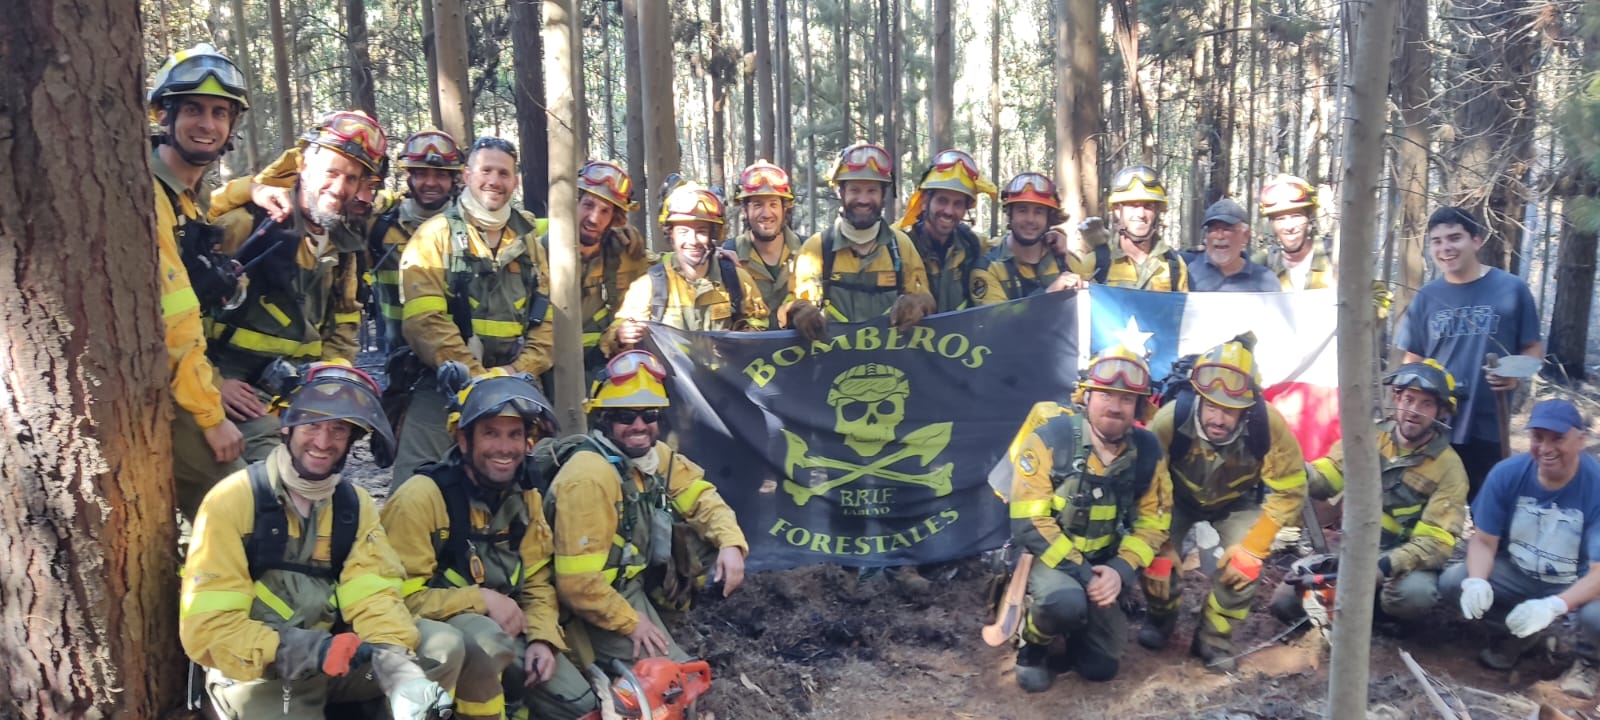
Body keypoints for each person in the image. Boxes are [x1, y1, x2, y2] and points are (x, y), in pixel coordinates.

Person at [179, 362, 460, 719]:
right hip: (258, 670)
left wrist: (398, 669)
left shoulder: (353, 505)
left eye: (338, 430)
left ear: (352, 439)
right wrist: (313, 649)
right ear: (287, 425)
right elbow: (208, 629)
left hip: (334, 659)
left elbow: (374, 597)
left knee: (443, 649)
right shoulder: (232, 501)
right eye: (312, 424)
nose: (323, 442)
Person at [382, 368, 598, 720]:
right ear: (463, 440)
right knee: (484, 639)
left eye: (515, 434)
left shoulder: (524, 495)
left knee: (576, 706)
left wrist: (543, 637)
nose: (505, 448)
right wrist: (479, 599)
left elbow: (539, 578)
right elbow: (393, 601)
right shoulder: (421, 499)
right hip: (432, 639)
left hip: (505, 630)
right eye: (490, 434)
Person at [548, 350, 748, 667]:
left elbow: (702, 499)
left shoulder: (656, 458)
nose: (639, 425)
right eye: (625, 416)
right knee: (673, 678)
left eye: (649, 414)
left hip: (631, 582)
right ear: (604, 419)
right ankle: (595, 658)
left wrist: (731, 543)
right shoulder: (589, 476)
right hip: (589, 603)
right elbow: (577, 586)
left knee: (705, 537)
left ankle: (663, 619)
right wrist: (631, 623)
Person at [207, 111, 385, 463]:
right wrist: (214, 384)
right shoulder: (248, 226)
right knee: (276, 478)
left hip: (297, 395)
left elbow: (345, 323)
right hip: (235, 394)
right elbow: (180, 315)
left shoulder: (344, 245)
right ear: (304, 165)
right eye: (331, 172)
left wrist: (329, 383)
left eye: (351, 178)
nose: (339, 187)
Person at [392, 137, 556, 487]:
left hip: (517, 383)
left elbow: (547, 325)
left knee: (535, 482)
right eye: (485, 170)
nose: (494, 181)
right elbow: (424, 323)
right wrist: (478, 379)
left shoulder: (529, 244)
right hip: (444, 384)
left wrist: (515, 373)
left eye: (503, 173)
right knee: (415, 484)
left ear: (515, 181)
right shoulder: (433, 237)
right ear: (466, 176)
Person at [1005, 347, 1172, 691]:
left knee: (1100, 668)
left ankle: (1078, 628)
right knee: (1064, 602)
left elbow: (1154, 523)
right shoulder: (1050, 439)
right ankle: (1033, 646)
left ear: (1139, 407)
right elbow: (1029, 524)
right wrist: (1085, 575)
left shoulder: (1148, 452)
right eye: (1106, 395)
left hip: (1104, 564)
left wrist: (1120, 570)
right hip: (1048, 559)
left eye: (1126, 399)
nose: (1114, 406)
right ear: (1087, 395)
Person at [1138, 334, 1307, 671]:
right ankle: (1161, 618)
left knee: (1244, 568)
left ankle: (1214, 637)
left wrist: (1253, 547)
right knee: (1156, 561)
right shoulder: (1170, 420)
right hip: (1177, 499)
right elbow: (1147, 487)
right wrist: (1164, 541)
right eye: (1212, 406)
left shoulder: (1268, 425)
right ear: (1198, 397)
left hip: (1237, 501)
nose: (1218, 418)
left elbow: (1290, 489)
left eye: (1230, 410)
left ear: (1246, 409)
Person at [1269, 360, 1468, 625]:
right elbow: (1328, 476)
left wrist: (1385, 566)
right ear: (1396, 397)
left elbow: (1436, 542)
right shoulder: (1367, 436)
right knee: (1284, 603)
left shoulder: (1450, 468)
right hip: (1351, 548)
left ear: (1441, 412)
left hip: (1402, 562)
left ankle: (1379, 616)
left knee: (1413, 596)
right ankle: (1346, 605)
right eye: (1408, 399)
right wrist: (1299, 471)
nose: (1413, 411)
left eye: (1426, 404)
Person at [146, 43, 250, 519]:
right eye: (192, 109)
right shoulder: (149, 195)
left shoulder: (187, 196)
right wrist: (211, 416)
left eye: (219, 113)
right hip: (167, 387)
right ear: (165, 115)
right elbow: (176, 319)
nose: (206, 124)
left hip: (183, 379)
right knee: (239, 510)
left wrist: (256, 187)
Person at [1439, 399, 1600, 698]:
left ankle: (1589, 663)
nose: (1546, 448)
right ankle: (1517, 633)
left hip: (1574, 580)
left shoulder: (1596, 486)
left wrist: (1555, 605)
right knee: (1454, 581)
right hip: (1517, 570)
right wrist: (1476, 580)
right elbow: (1484, 541)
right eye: (1538, 437)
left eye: (1558, 438)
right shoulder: (1507, 474)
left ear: (1580, 440)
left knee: (1597, 617)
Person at [1396, 206, 1542, 499]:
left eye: (1454, 238)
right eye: (1437, 241)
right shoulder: (1427, 297)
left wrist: (1513, 377)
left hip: (1488, 424)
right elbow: (1413, 358)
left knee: (1489, 506)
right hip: (1435, 423)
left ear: (1476, 241)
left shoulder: (1511, 289)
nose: (1445, 248)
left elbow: (1533, 350)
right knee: (1422, 506)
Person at [783, 142, 934, 342]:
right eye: (855, 190)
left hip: (891, 367)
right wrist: (797, 310)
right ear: (841, 193)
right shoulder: (816, 248)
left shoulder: (901, 246)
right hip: (833, 367)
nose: (863, 199)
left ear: (883, 195)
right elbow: (790, 304)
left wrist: (918, 303)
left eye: (872, 190)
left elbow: (928, 301)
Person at [603, 181, 768, 354]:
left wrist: (746, 337)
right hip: (669, 379)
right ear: (671, 235)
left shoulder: (736, 279)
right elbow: (614, 336)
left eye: (702, 231)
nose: (693, 240)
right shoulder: (649, 286)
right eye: (683, 231)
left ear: (714, 234)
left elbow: (760, 322)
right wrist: (621, 335)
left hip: (723, 377)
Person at [369, 130, 465, 354]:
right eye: (421, 174)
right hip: (398, 357)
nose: (430, 183)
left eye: (440, 175)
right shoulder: (379, 225)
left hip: (457, 351)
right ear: (409, 177)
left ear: (453, 179)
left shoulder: (470, 226)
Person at [557, 160, 654, 373]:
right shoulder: (543, 249)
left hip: (603, 366)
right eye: (588, 205)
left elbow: (665, 269)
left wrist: (715, 255)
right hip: (551, 369)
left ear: (614, 218)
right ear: (574, 203)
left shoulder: (626, 252)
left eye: (605, 211)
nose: (594, 218)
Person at [896, 149, 995, 312]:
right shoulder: (901, 246)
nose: (949, 211)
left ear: (965, 209)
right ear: (926, 201)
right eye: (942, 200)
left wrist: (1051, 236)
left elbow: (1010, 248)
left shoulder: (971, 245)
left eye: (958, 204)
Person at [970, 172, 1085, 304]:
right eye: (1022, 210)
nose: (1030, 219)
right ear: (1009, 215)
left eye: (1038, 211)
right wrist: (1048, 296)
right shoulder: (989, 268)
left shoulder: (1066, 261)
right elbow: (998, 322)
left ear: (1048, 218)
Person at [1069, 164, 1187, 291]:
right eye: (1132, 205)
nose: (1141, 214)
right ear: (1117, 210)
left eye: (1148, 206)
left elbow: (1184, 309)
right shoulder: (1095, 263)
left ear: (1157, 211)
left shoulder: (1174, 264)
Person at [726, 160, 803, 316]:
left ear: (784, 208)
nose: (766, 214)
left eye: (773, 204)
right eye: (757, 205)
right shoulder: (728, 256)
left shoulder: (808, 251)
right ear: (745, 210)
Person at [1254, 174, 1334, 291]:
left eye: (1296, 216)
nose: (1289, 226)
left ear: (1309, 218)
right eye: (1280, 219)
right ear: (1271, 224)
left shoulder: (1334, 256)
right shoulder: (1262, 264)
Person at [1187, 199, 1279, 293]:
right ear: (1206, 237)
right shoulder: (1188, 273)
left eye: (1227, 229)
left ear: (1245, 236)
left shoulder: (1266, 280)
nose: (1220, 236)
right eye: (1213, 229)